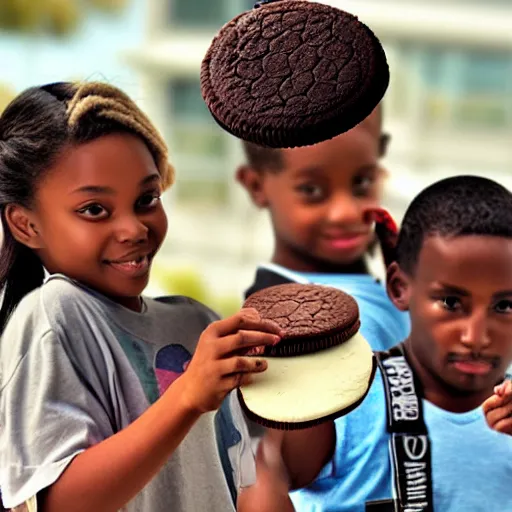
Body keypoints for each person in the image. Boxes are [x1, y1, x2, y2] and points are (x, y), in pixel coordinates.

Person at [0, 81, 282, 512]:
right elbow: (59, 502)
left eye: (147, 198)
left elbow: (247, 482)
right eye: (94, 209)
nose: (134, 229)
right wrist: (187, 396)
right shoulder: (54, 315)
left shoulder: (197, 322)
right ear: (26, 225)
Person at [238, 175, 512, 512]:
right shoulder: (347, 397)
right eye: (451, 303)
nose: (476, 336)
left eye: (504, 306)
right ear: (399, 288)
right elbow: (261, 469)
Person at [236, 104, 409, 352]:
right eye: (312, 190)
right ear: (256, 186)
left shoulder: (383, 288)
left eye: (363, 182)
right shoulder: (289, 326)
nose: (346, 213)